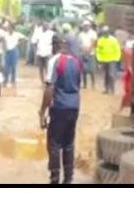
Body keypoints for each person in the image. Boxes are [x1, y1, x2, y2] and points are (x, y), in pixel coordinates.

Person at [39, 34, 82, 184]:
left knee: (54, 143)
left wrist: (42, 111)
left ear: (55, 45)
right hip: (74, 107)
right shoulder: (76, 62)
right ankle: (68, 178)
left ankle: (54, 178)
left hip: (59, 107)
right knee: (69, 143)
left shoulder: (55, 61)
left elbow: (50, 87)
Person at [96, 26, 122, 95]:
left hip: (112, 60)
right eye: (104, 32)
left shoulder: (113, 40)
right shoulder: (100, 40)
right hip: (103, 60)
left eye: (106, 32)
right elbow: (98, 50)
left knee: (111, 75)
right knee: (106, 75)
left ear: (109, 32)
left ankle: (112, 89)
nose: (105, 33)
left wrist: (117, 58)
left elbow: (117, 49)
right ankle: (107, 89)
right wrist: (99, 59)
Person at [3, 22, 27, 87]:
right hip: (8, 51)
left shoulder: (17, 34)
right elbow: (3, 40)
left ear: (13, 28)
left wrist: (18, 43)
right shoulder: (5, 34)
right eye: (8, 28)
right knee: (6, 67)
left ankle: (13, 81)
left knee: (13, 67)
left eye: (10, 28)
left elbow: (25, 38)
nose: (9, 29)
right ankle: (5, 81)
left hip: (14, 50)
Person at [77, 20, 98, 89]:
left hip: (91, 53)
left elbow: (94, 43)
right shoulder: (80, 34)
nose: (86, 27)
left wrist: (89, 50)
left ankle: (93, 84)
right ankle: (85, 84)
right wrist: (83, 49)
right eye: (84, 26)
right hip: (82, 53)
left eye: (87, 26)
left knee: (92, 70)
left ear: (89, 26)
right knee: (83, 70)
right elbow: (79, 43)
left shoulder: (93, 33)